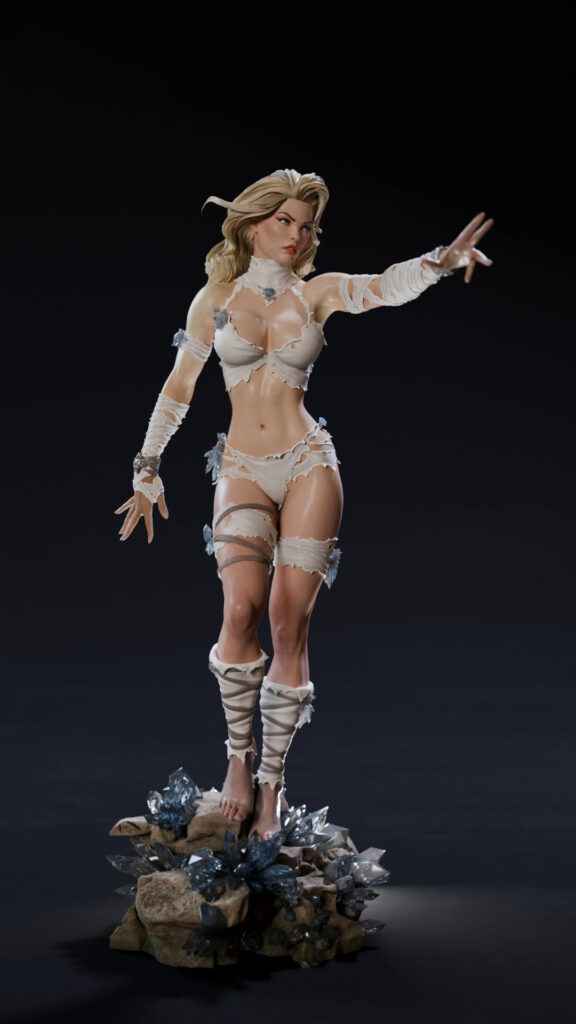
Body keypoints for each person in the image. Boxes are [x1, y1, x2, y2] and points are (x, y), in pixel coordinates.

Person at [114, 169, 493, 841]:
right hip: (241, 466)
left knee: (289, 625)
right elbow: (180, 384)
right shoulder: (215, 299)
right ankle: (237, 763)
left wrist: (438, 262)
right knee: (240, 611)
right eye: (284, 220)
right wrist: (148, 468)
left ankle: (272, 785)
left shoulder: (314, 293)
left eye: (307, 225)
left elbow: (380, 288)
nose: (296, 234)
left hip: (309, 464)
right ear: (254, 222)